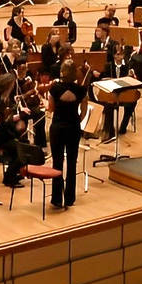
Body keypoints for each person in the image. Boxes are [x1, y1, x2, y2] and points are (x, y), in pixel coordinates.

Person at [48, 60, 86, 209]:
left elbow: (50, 108)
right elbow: (83, 111)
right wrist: (76, 120)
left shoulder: (55, 88)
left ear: (62, 72)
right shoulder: (81, 90)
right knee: (72, 162)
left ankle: (57, 199)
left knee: (57, 162)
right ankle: (69, 198)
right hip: (73, 128)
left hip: (57, 127)